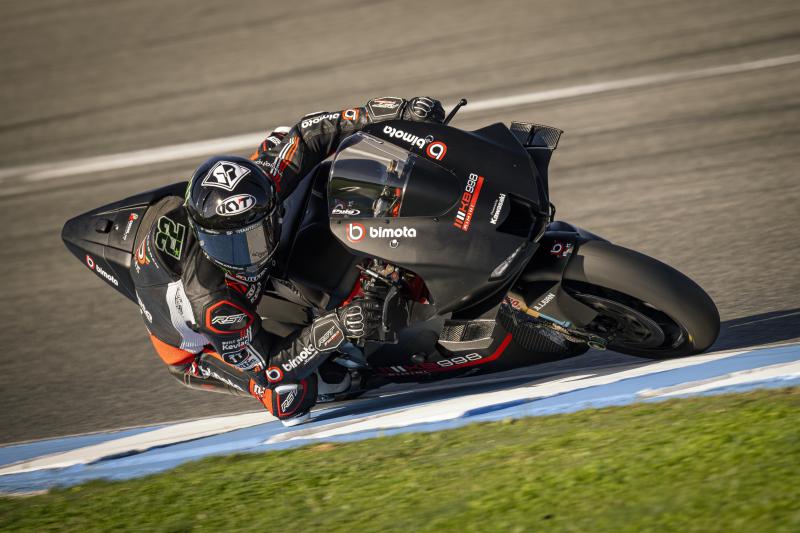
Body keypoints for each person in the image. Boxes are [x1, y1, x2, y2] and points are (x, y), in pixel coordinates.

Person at [131, 96, 445, 425]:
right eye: (234, 246)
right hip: (197, 350)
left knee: (302, 157)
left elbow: (309, 132)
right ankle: (363, 371)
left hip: (198, 237)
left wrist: (394, 112)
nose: (252, 254)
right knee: (293, 396)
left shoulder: (262, 187)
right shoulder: (214, 304)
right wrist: (337, 326)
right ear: (207, 239)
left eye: (257, 234)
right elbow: (271, 368)